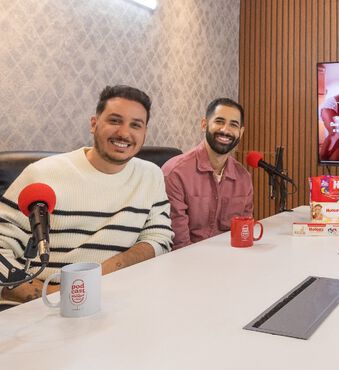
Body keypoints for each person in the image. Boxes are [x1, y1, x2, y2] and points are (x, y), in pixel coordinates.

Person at [0, 85, 174, 303]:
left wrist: (99, 276)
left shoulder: (151, 175)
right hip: (40, 303)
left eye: (135, 125)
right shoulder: (41, 174)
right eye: (114, 121)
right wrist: (55, 297)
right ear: (94, 124)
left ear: (144, 133)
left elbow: (159, 238)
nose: (124, 133)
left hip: (118, 296)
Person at [162, 98, 253, 249]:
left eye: (233, 125)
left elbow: (243, 233)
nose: (225, 130)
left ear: (240, 132)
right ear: (204, 125)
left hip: (231, 262)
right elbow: (179, 244)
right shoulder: (175, 173)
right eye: (219, 121)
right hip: (187, 263)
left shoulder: (243, 177)